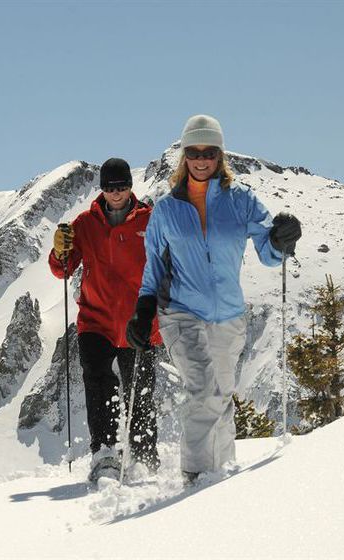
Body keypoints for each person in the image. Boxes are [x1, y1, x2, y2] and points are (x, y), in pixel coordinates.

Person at [126, 115, 302, 484]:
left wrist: (283, 238)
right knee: (205, 390)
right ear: (184, 155)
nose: (201, 159)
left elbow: (269, 254)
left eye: (209, 152)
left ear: (220, 155)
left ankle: (223, 476)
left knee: (221, 397)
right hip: (180, 313)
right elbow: (153, 269)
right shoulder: (166, 210)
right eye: (194, 151)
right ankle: (195, 478)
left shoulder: (242, 201)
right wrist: (143, 313)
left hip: (229, 316)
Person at [49, 157, 162, 484]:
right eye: (111, 188)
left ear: (130, 186)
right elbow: (63, 269)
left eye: (122, 186)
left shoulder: (150, 221)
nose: (117, 193)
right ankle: (105, 453)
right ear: (102, 189)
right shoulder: (85, 224)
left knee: (140, 392)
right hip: (95, 321)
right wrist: (60, 252)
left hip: (137, 323)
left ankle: (144, 456)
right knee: (98, 380)